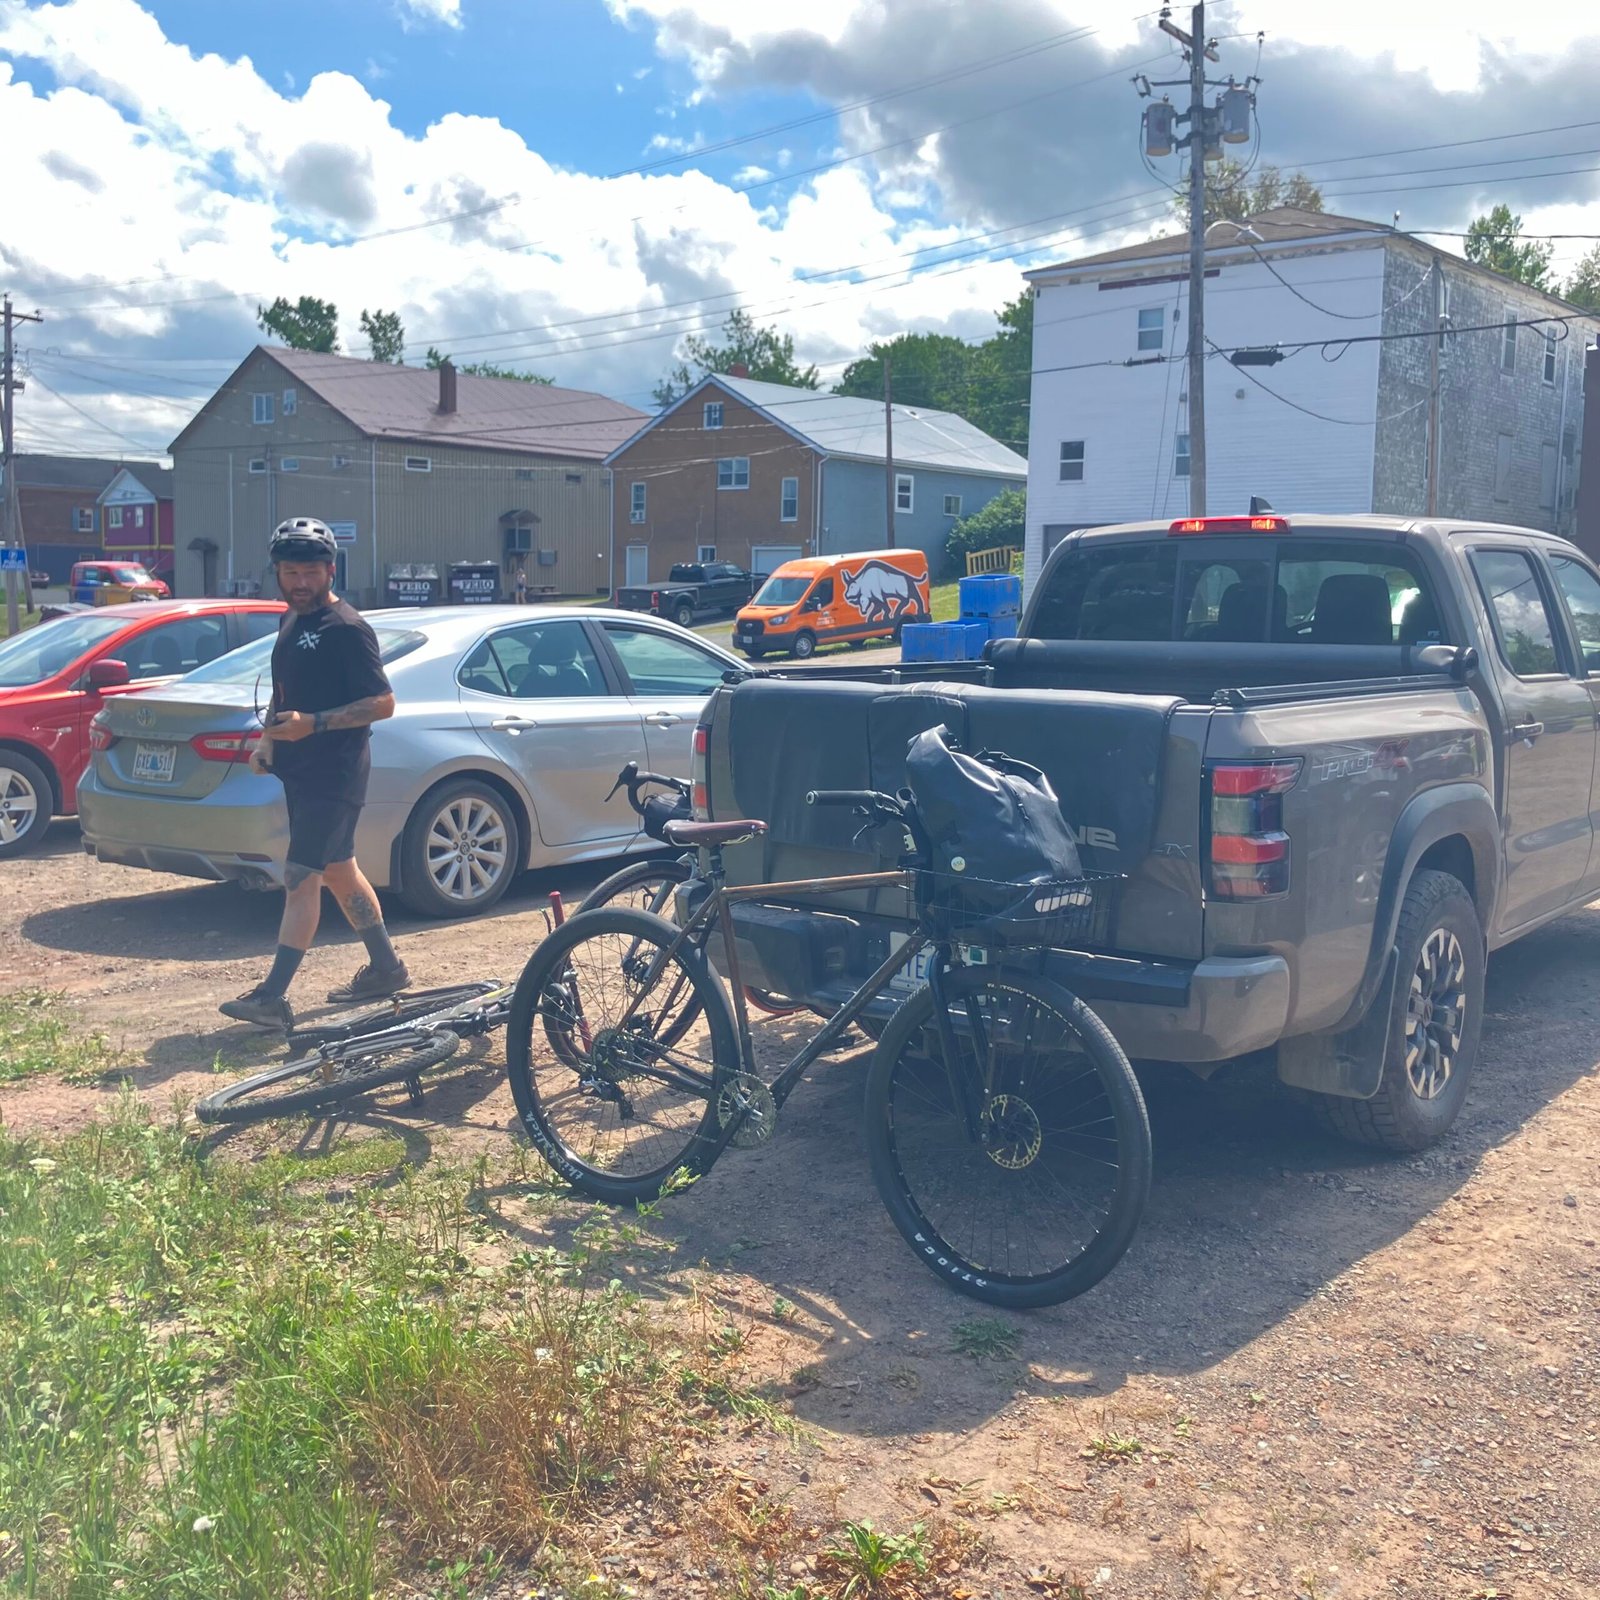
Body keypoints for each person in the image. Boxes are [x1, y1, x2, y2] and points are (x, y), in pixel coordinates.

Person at [219, 517, 410, 1030]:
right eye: (290, 572)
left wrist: (315, 724)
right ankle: (387, 969)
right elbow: (285, 693)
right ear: (277, 573)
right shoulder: (291, 620)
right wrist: (268, 740)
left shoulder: (346, 628)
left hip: (336, 772)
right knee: (339, 870)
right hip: (300, 770)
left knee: (300, 876)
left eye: (310, 572)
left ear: (330, 571)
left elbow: (384, 702)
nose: (300, 582)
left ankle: (272, 998)